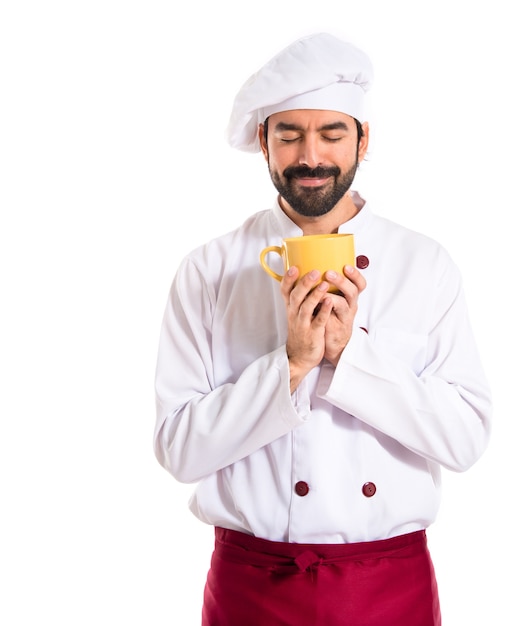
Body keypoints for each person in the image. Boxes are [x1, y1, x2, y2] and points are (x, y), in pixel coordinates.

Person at [154, 32, 492, 626]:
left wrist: (350, 359)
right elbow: (179, 450)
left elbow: (465, 441)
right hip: (250, 587)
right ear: (263, 143)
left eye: (332, 133)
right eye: (289, 134)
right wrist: (291, 365)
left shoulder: (426, 265)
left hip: (390, 588)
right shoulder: (208, 271)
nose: (311, 156)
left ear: (364, 139)